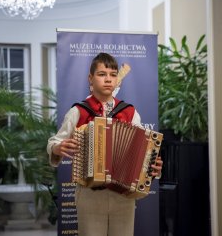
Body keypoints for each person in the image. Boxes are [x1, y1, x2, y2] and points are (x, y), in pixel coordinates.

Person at [47, 52, 163, 236]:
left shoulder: (129, 112)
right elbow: (56, 141)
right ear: (90, 79)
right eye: (102, 74)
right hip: (89, 193)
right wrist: (56, 148)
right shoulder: (78, 111)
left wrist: (152, 166)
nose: (108, 79)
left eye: (113, 74)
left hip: (123, 194)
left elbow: (144, 148)